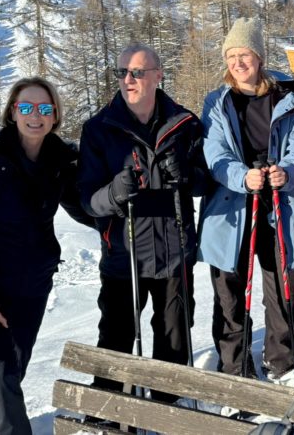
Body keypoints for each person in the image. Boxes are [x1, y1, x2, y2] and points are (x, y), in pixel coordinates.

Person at [0, 77, 94, 434]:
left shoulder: (59, 165)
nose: (35, 116)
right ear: (13, 112)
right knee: (0, 373)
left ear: (55, 115)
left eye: (44, 108)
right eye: (26, 107)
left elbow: (88, 209)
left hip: (28, 291)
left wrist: (128, 205)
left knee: (3, 380)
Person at [77, 43, 207, 402]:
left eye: (136, 71)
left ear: (158, 75)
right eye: (121, 72)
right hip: (124, 254)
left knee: (174, 339)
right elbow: (88, 201)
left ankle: (166, 411)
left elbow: (207, 181)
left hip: (173, 252)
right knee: (116, 341)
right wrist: (116, 191)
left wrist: (187, 175)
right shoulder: (98, 129)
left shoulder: (184, 123)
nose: (127, 79)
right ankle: (108, 415)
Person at [198, 17, 294, 381]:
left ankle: (282, 363)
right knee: (230, 293)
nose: (238, 63)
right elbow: (214, 154)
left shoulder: (286, 99)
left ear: (259, 57)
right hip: (232, 209)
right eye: (231, 56)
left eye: (244, 54)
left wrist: (287, 173)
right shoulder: (217, 102)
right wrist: (241, 176)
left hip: (278, 205)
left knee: (283, 288)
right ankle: (235, 366)